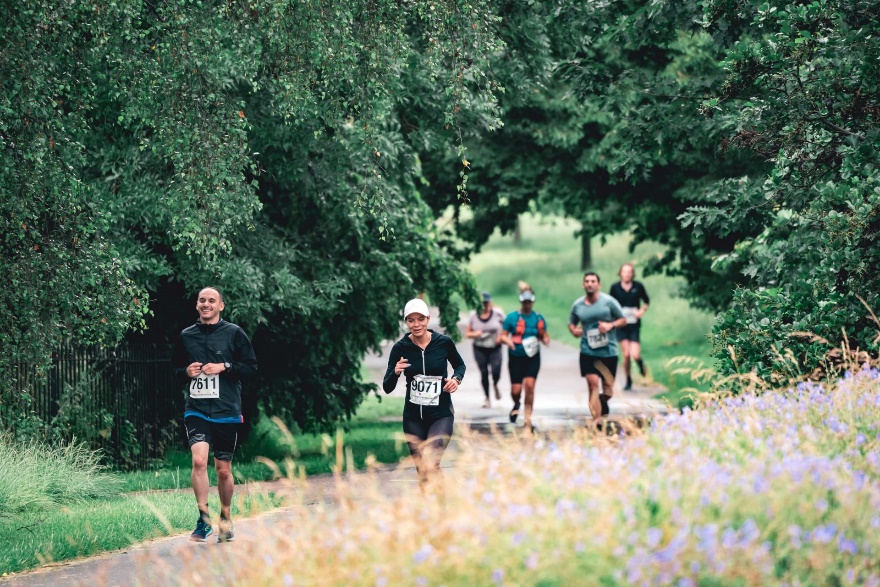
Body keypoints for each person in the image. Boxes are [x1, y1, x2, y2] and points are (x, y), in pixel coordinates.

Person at [171, 286, 258, 543]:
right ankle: (203, 518)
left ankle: (226, 517)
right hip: (196, 409)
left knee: (222, 470)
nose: (206, 304)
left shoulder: (234, 334)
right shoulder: (187, 336)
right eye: (202, 300)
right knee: (199, 461)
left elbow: (251, 368)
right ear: (197, 305)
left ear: (221, 306)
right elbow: (173, 368)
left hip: (226, 410)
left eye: (211, 300)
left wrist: (225, 366)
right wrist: (186, 372)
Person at [383, 298, 465, 495]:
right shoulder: (400, 348)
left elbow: (460, 365)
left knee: (430, 460)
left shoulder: (443, 343)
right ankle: (430, 510)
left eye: (420, 319)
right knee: (423, 469)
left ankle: (442, 504)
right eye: (411, 320)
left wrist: (456, 379)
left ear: (428, 319)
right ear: (406, 322)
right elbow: (387, 387)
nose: (416, 324)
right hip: (413, 418)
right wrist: (395, 372)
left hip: (441, 414)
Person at [569, 272, 626, 429]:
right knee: (593, 385)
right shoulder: (578, 305)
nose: (589, 284)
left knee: (608, 391)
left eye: (593, 281)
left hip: (608, 352)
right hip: (588, 352)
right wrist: (574, 330)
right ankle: (597, 420)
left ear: (599, 285)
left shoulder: (609, 302)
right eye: (587, 281)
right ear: (583, 285)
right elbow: (571, 323)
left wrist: (610, 325)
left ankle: (602, 401)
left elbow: (623, 320)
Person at [499, 283, 549, 433]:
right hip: (516, 357)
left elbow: (544, 335)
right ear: (521, 301)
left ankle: (528, 421)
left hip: (532, 357)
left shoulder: (539, 318)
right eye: (524, 302)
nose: (527, 304)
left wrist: (545, 339)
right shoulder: (512, 317)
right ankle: (516, 404)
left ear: (532, 301)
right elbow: (502, 336)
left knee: (530, 387)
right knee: (516, 390)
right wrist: (509, 342)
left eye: (529, 302)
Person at [609, 263, 651, 390]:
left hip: (634, 324)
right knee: (626, 354)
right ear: (620, 273)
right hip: (621, 324)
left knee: (635, 354)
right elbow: (610, 304)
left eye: (629, 272)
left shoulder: (638, 286)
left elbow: (646, 301)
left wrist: (641, 311)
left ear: (632, 274)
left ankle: (640, 365)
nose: (627, 274)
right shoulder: (615, 288)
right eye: (624, 272)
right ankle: (628, 379)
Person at [464, 292, 505, 408]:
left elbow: (506, 327)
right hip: (479, 348)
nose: (485, 305)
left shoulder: (498, 314)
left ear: (490, 303)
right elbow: (467, 333)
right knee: (484, 372)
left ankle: (496, 384)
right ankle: (487, 397)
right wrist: (475, 333)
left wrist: (500, 336)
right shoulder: (473, 316)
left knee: (496, 370)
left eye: (486, 303)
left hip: (495, 347)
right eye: (482, 303)